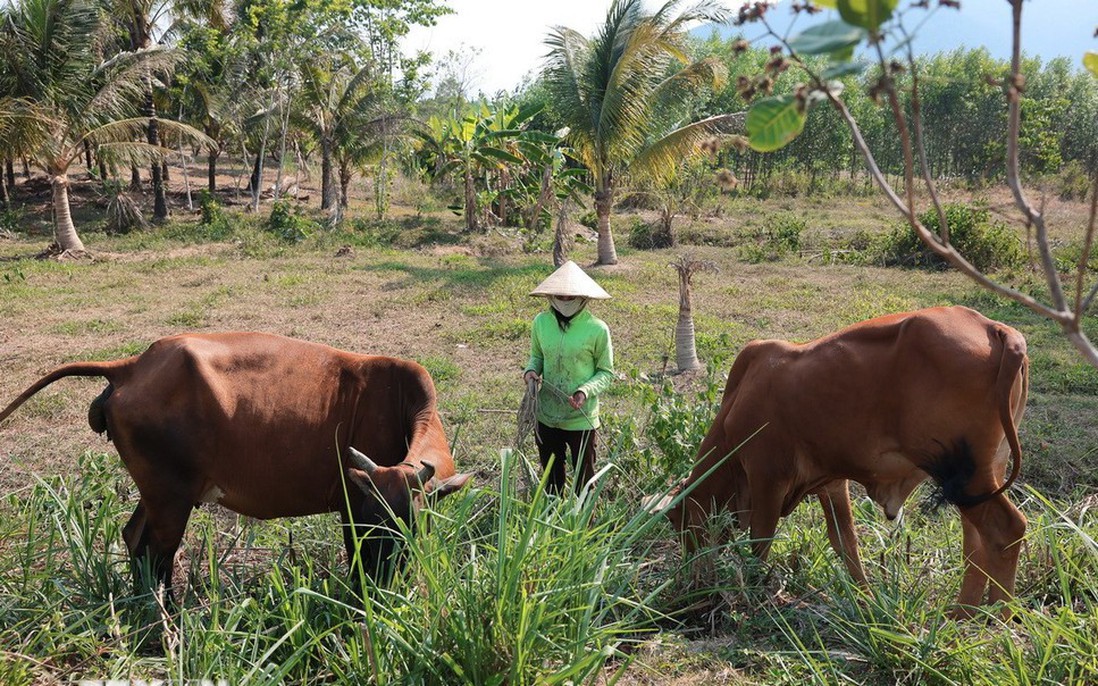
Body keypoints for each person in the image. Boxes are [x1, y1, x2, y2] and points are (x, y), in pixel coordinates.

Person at [522, 261, 614, 496]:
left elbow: (606, 372)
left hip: (580, 419)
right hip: (547, 414)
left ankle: (585, 527)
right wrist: (531, 372)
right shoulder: (541, 322)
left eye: (570, 295)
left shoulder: (597, 329)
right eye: (560, 295)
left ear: (583, 297)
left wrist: (584, 391)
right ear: (551, 296)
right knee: (551, 479)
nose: (565, 300)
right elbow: (537, 356)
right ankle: (551, 522)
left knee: (585, 482)